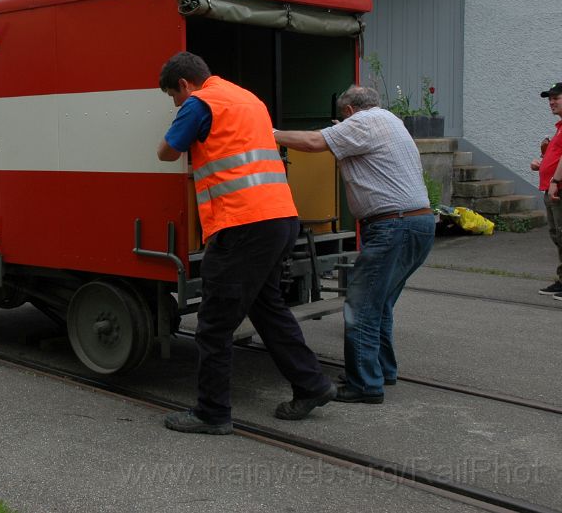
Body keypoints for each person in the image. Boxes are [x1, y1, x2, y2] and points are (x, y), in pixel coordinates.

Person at [156, 52, 335, 435]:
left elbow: (167, 152)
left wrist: (182, 127)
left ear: (184, 84)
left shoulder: (199, 103)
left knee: (214, 323)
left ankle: (212, 413)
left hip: (242, 224)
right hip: (281, 218)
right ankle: (312, 384)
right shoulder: (248, 99)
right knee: (268, 308)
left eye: (173, 95)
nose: (175, 103)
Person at [275, 84, 434, 404]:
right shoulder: (390, 120)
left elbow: (313, 142)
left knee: (360, 306)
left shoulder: (361, 123)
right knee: (380, 303)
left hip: (391, 226)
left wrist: (272, 133)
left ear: (348, 111)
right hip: (419, 223)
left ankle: (364, 384)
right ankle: (382, 370)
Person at [530, 82, 562, 297]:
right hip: (553, 188)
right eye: (549, 99)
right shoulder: (559, 128)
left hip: (558, 189)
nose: (551, 102)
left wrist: (555, 181)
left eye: (556, 98)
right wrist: (542, 165)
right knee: (557, 235)